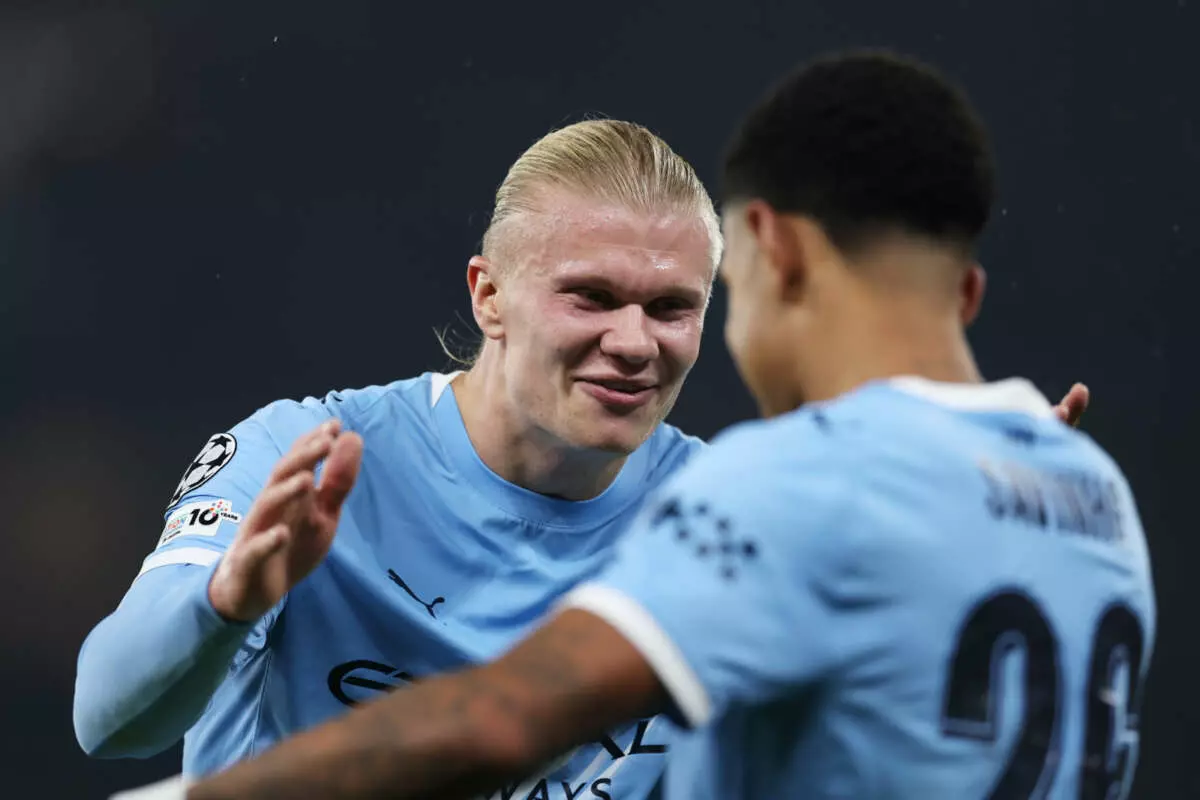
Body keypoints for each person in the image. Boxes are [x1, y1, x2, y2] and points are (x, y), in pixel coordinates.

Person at [162, 50, 1148, 800]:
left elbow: (503, 722)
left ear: (770, 248)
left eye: (690, 300)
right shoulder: (1090, 492)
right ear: (965, 291)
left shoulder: (799, 477)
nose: (642, 342)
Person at [76, 119, 723, 800]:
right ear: (489, 296)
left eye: (670, 308)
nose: (633, 341)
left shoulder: (724, 524)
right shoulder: (305, 460)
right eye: (591, 297)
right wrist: (224, 605)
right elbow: (106, 723)